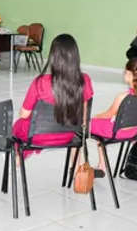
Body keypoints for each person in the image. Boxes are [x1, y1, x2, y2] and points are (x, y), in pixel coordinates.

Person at [11, 34, 94, 162]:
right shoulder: (85, 80)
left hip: (38, 135)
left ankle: (18, 159)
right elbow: (84, 114)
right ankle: (76, 169)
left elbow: (24, 114)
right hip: (68, 135)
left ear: (53, 56)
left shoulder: (40, 82)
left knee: (19, 126)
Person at [89, 58, 137, 173]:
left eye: (125, 72)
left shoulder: (124, 97)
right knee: (100, 128)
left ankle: (98, 166)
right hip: (135, 130)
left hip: (118, 131)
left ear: (130, 74)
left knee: (87, 125)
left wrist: (94, 117)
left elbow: (108, 114)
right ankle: (101, 164)